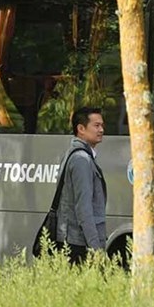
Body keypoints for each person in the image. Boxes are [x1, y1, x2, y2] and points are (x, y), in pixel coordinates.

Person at [57, 106, 107, 264]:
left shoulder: (78, 154)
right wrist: (95, 247)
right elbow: (84, 208)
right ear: (81, 129)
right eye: (96, 125)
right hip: (78, 243)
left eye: (102, 125)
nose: (101, 130)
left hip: (76, 240)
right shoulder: (81, 160)